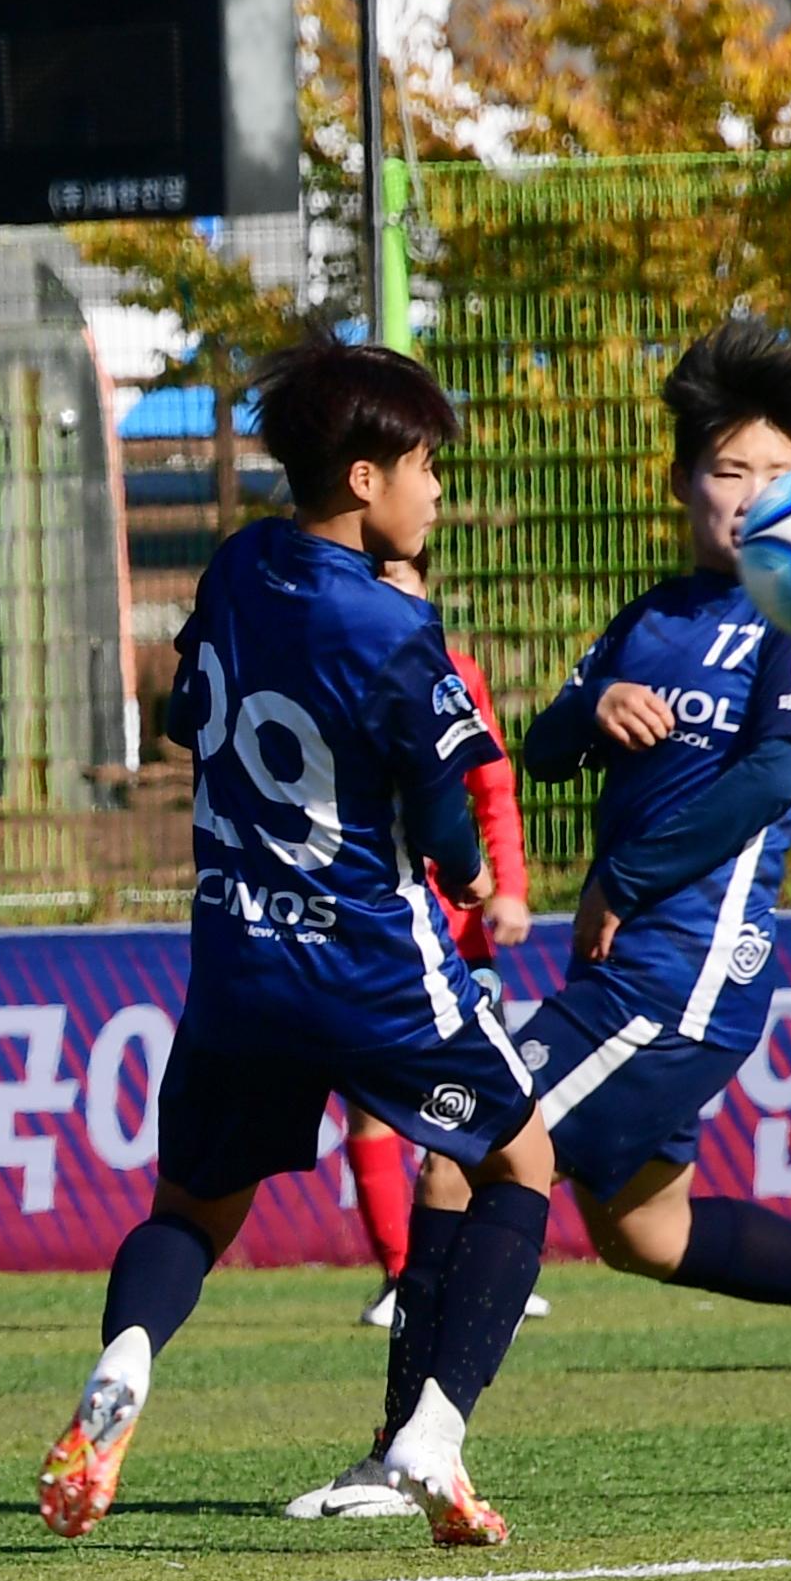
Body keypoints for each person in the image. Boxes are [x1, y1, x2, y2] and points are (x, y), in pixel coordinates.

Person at [289, 320, 791, 1523]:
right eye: (728, 469)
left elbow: (768, 785)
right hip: (632, 969)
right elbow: (538, 748)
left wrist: (625, 880)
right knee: (646, 1230)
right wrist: (600, 699)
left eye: (778, 473)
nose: (753, 495)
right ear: (680, 483)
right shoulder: (651, 616)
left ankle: (413, 1448)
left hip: (684, 970)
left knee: (462, 1149)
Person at [37, 338, 559, 1550]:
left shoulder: (233, 568)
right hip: (371, 959)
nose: (438, 491)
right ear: (368, 477)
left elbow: (185, 726)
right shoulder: (392, 627)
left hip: (235, 955)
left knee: (192, 1211)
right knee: (520, 1159)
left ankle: (126, 1359)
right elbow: (441, 816)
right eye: (429, 467)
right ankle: (433, 1428)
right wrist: (473, 867)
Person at [347, 543, 536, 1334]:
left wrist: (511, 887)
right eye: (378, 583)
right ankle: (401, 1275)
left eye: (403, 582)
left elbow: (491, 789)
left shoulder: (458, 674)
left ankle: (469, 1268)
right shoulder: (339, 675)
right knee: (372, 1115)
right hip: (374, 930)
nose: (393, 595)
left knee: (465, 1113)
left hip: (457, 936)